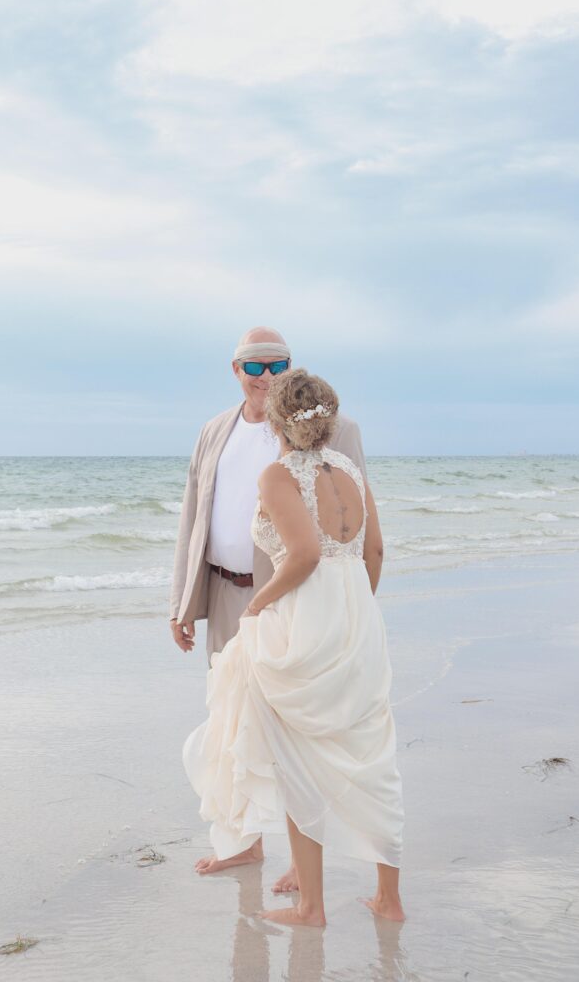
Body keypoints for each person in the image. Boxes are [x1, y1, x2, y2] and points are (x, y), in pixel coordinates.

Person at [182, 368, 405, 926]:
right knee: (371, 752)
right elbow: (375, 552)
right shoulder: (351, 470)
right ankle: (389, 898)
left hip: (303, 617)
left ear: (277, 422)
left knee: (294, 756)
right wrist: (356, 611)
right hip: (357, 614)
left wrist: (257, 606)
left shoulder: (279, 474)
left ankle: (311, 906)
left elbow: (302, 556)